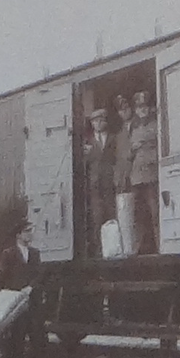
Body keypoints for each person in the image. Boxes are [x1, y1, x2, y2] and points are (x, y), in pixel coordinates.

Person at [0, 219, 47, 358]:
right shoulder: (8, 254)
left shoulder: (35, 253)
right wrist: (0, 295)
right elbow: (1, 277)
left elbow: (39, 275)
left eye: (31, 230)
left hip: (33, 303)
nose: (30, 234)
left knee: (38, 337)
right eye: (27, 231)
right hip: (17, 304)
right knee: (17, 338)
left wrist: (31, 287)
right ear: (18, 235)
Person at [129, 90, 159, 254]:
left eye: (145, 107)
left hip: (151, 172)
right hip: (137, 176)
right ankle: (138, 247)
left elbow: (151, 137)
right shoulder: (133, 126)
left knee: (155, 212)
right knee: (138, 214)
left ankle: (161, 245)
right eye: (140, 107)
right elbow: (131, 148)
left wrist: (140, 142)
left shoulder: (155, 123)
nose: (143, 110)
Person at [83, 108, 116, 257]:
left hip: (110, 182)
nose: (98, 123)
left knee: (111, 215)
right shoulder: (87, 142)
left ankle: (112, 248)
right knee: (97, 217)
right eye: (95, 121)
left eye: (101, 120)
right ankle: (98, 250)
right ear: (92, 124)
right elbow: (84, 164)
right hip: (95, 184)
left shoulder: (113, 138)